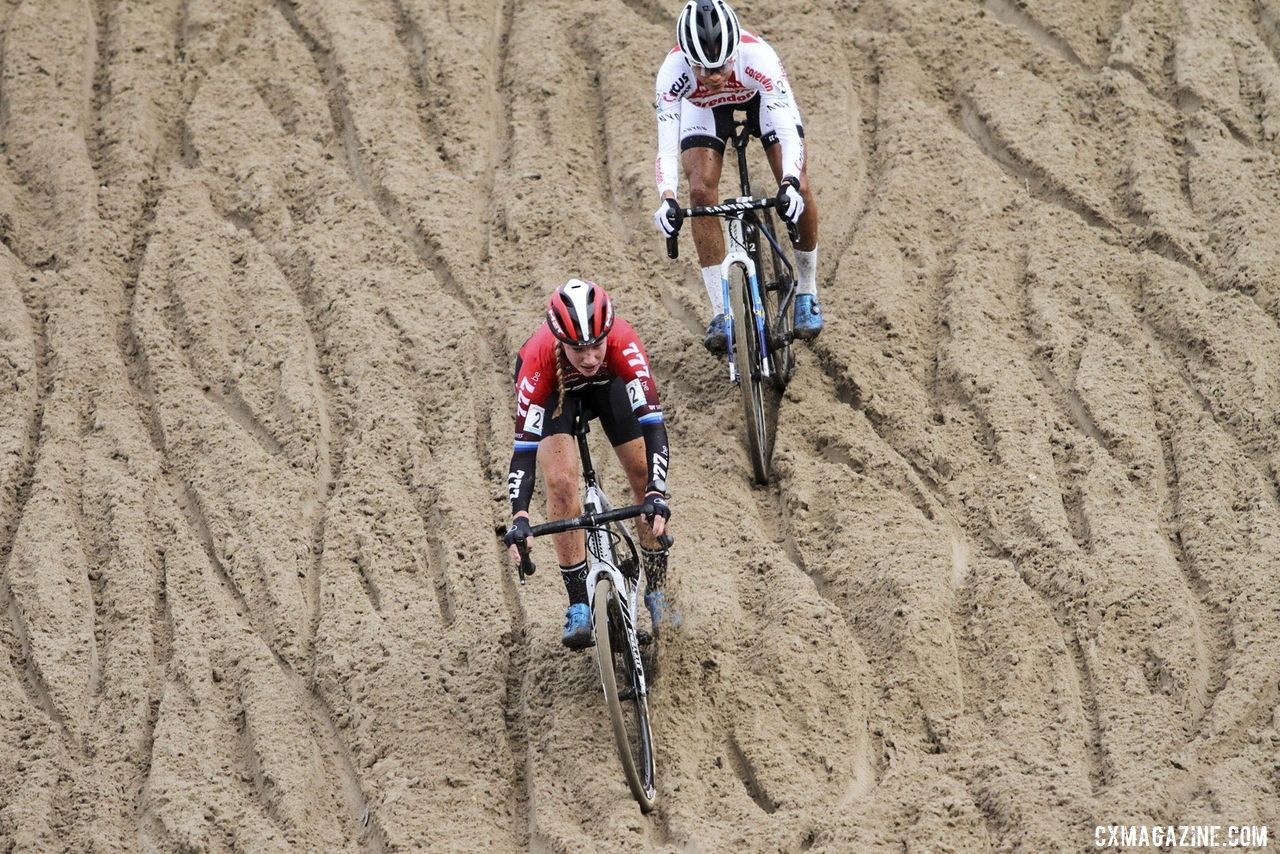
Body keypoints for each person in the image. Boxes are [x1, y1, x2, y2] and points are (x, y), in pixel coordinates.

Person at [502, 279, 674, 649]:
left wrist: (656, 493)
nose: (591, 357)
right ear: (558, 338)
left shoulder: (624, 343)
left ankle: (657, 592)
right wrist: (519, 517)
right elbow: (523, 454)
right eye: (578, 349)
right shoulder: (537, 360)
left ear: (608, 334)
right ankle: (579, 600)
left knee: (644, 476)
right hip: (555, 393)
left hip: (606, 389)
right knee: (563, 484)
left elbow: (653, 425)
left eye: (597, 345)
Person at [652, 0, 823, 351]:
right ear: (686, 58)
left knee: (800, 187)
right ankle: (722, 310)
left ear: (735, 52)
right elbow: (666, 148)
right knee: (699, 194)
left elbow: (789, 135)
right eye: (702, 69)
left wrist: (789, 183)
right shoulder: (672, 75)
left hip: (759, 100)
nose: (714, 77)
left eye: (721, 66)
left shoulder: (758, 58)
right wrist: (667, 198)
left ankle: (807, 290)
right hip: (703, 110)